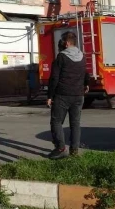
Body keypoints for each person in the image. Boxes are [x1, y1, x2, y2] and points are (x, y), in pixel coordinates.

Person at [47, 31, 88, 159]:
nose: (63, 43)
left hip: (63, 95)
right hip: (78, 95)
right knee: (75, 123)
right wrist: (86, 84)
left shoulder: (61, 57)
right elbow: (86, 73)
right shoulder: (82, 56)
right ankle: (74, 151)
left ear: (67, 43)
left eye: (64, 41)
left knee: (56, 121)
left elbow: (54, 78)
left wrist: (49, 96)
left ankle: (60, 148)